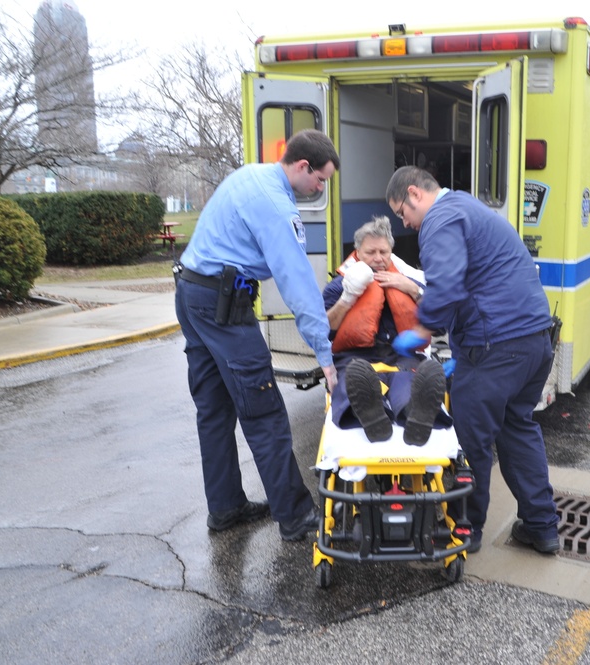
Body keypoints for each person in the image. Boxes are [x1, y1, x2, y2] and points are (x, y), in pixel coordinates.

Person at [174, 129, 339, 542]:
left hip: (192, 293)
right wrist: (325, 355)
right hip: (224, 307)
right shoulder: (275, 204)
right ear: (302, 166)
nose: (320, 189)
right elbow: (298, 283)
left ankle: (225, 507)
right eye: (320, 180)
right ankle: (297, 517)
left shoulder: (250, 175)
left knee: (213, 410)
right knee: (263, 409)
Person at [385, 166, 559, 555]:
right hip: (534, 342)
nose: (406, 224)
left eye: (402, 213)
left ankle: (465, 530)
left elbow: (446, 285)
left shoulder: (440, 219)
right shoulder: (469, 208)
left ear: (415, 194)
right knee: (517, 429)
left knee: (470, 442)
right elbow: (469, 280)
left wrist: (424, 330)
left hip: (495, 348)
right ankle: (542, 526)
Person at [321, 216, 449, 445]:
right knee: (356, 379)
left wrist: (413, 290)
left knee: (408, 381)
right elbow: (322, 330)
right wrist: (347, 299)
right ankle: (372, 414)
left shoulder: (409, 282)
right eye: (371, 252)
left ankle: (416, 415)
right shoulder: (339, 286)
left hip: (403, 357)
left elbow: (439, 324)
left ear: (391, 252)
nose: (378, 259)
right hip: (355, 358)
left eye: (384, 252)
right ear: (358, 252)